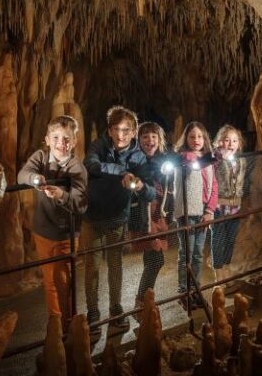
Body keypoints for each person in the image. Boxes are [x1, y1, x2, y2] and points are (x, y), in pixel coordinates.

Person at [82, 106, 155, 333]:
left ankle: (115, 308)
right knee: (92, 267)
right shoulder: (99, 146)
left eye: (126, 130)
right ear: (110, 130)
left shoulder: (138, 157)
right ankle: (93, 311)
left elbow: (151, 192)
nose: (121, 134)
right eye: (116, 129)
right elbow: (91, 164)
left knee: (115, 265)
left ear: (133, 132)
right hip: (92, 216)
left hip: (117, 217)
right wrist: (121, 172)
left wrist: (140, 186)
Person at [17, 115, 87, 332]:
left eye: (66, 138)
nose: (60, 143)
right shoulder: (41, 157)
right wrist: (35, 179)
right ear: (47, 140)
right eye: (55, 137)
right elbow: (22, 175)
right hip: (43, 231)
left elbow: (81, 203)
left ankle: (70, 324)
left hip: (67, 234)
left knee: (64, 281)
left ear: (74, 142)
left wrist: (61, 195)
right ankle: (56, 325)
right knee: (49, 282)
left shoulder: (77, 168)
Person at [129, 122, 174, 318]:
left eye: (154, 136)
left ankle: (144, 301)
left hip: (159, 213)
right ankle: (141, 302)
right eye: (145, 136)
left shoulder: (162, 160)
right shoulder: (135, 162)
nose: (150, 140)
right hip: (144, 214)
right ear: (138, 140)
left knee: (151, 259)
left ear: (159, 139)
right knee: (156, 259)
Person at [173, 121, 218, 309]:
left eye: (199, 136)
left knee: (198, 254)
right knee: (187, 254)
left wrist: (210, 210)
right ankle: (184, 291)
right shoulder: (182, 157)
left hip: (203, 213)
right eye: (192, 136)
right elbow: (190, 159)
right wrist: (209, 157)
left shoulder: (208, 160)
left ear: (205, 138)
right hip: (187, 213)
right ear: (186, 139)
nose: (196, 140)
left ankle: (195, 290)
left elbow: (213, 186)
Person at [210, 124, 248, 282]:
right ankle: (218, 273)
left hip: (235, 207)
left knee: (230, 239)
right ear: (220, 141)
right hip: (219, 207)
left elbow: (243, 182)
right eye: (227, 140)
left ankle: (226, 267)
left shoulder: (242, 160)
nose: (231, 144)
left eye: (234, 140)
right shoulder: (215, 159)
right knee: (218, 239)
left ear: (239, 143)